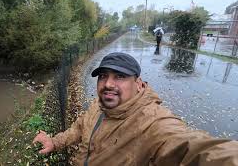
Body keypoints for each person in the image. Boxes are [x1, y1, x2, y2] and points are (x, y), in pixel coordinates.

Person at [33, 52, 238, 166]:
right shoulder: (99, 105)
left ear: (139, 84)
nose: (108, 84)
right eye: (103, 76)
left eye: (120, 76)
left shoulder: (152, 122)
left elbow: (191, 148)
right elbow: (78, 128)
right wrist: (54, 142)